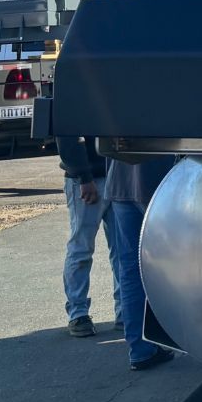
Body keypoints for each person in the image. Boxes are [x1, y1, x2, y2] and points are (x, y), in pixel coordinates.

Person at [104, 152, 177, 370]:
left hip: (120, 183)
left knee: (130, 270)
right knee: (175, 267)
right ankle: (184, 337)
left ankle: (139, 348)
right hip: (159, 182)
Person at [58, 134, 118, 338]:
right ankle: (78, 313)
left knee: (122, 251)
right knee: (82, 248)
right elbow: (67, 136)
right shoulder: (72, 100)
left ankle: (125, 310)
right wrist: (84, 177)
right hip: (88, 180)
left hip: (116, 176)